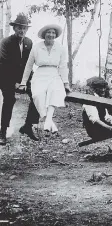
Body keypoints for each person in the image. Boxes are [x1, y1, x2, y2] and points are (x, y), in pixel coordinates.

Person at [19, 24, 70, 134]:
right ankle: (48, 120)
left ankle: (47, 121)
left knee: (54, 92)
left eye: (53, 33)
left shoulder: (60, 48)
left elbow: (63, 66)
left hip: (54, 75)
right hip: (40, 75)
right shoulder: (36, 47)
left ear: (55, 35)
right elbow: (28, 66)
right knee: (37, 95)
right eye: (48, 32)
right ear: (44, 34)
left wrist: (66, 83)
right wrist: (23, 82)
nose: (51, 35)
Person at [0, 13, 39, 145]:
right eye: (19, 28)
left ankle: (27, 126)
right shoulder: (5, 43)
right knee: (9, 100)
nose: (22, 30)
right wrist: (15, 83)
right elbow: (4, 65)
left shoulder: (29, 42)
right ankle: (3, 132)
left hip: (23, 77)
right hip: (5, 77)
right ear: (14, 28)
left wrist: (32, 80)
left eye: (24, 28)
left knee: (37, 95)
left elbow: (29, 64)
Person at [82, 77, 112, 141]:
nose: (103, 90)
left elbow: (106, 115)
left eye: (104, 87)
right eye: (100, 88)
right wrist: (111, 128)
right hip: (95, 131)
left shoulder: (100, 98)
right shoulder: (90, 100)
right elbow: (95, 120)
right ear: (94, 89)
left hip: (102, 126)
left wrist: (111, 119)